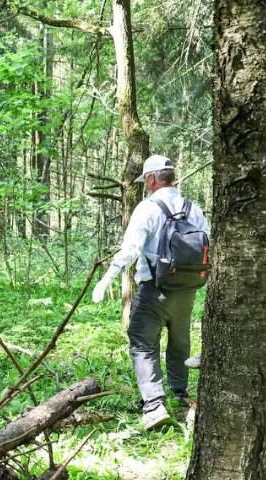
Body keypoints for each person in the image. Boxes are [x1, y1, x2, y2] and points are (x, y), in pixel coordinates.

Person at [91, 154, 210, 430]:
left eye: (146, 179)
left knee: (142, 343)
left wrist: (106, 279)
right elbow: (208, 244)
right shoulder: (193, 208)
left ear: (152, 178)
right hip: (187, 291)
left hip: (153, 289)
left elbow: (131, 249)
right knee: (180, 343)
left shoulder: (147, 208)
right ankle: (180, 396)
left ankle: (155, 405)